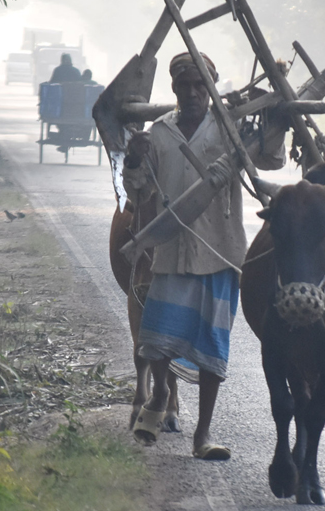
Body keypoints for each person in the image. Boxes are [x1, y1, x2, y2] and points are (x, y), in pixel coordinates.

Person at [123, 52, 288, 459]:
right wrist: (133, 158)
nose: (194, 93)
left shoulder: (231, 128)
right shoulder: (159, 134)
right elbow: (138, 191)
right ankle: (160, 392)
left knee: (213, 349)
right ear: (174, 89)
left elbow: (271, 157)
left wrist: (278, 118)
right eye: (185, 86)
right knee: (156, 341)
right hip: (171, 250)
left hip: (220, 252)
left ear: (212, 88)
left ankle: (204, 434)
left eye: (202, 86)